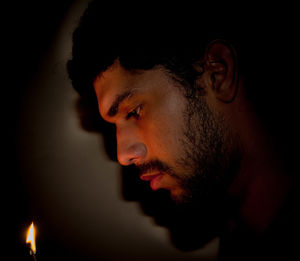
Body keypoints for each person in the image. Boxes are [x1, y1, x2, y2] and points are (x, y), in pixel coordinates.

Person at [67, 1, 299, 260]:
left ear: (217, 74)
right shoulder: (242, 239)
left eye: (133, 112)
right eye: (114, 128)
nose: (123, 155)